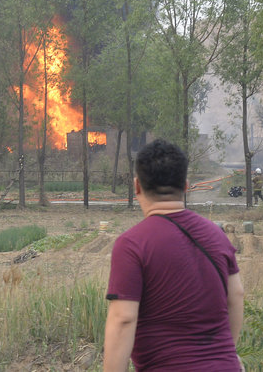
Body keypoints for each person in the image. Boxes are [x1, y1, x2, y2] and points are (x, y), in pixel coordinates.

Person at [104, 139, 245, 371]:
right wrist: (225, 354)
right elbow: (236, 295)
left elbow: (123, 319)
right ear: (186, 186)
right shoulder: (217, 235)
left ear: (137, 186)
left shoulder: (132, 245)